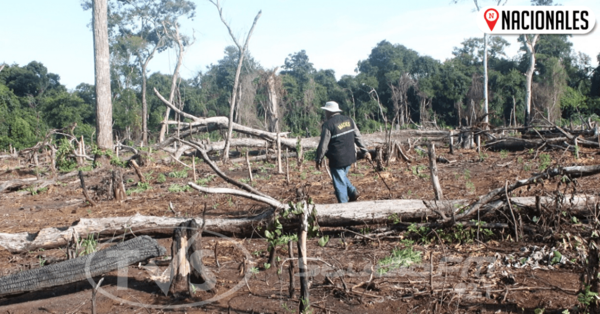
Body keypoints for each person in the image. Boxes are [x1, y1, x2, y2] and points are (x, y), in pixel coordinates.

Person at [315, 101, 371, 203]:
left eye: (326, 111)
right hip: (350, 157)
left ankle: (344, 207)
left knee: (339, 184)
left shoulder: (328, 125)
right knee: (341, 177)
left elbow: (323, 145)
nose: (325, 113)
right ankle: (352, 192)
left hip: (337, 159)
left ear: (329, 112)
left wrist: (319, 158)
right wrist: (365, 151)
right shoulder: (349, 120)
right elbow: (358, 136)